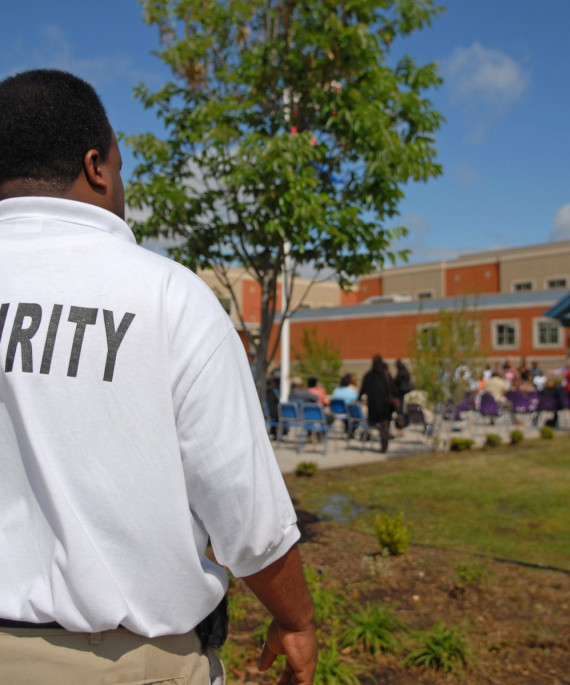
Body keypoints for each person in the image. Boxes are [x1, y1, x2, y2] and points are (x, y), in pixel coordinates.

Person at [0, 70, 317, 685]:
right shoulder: (169, 297)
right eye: (120, 166)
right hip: (123, 664)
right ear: (97, 168)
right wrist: (295, 620)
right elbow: (245, 514)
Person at [359, 354, 394, 452]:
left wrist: (359, 399)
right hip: (385, 406)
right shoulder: (386, 375)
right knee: (385, 424)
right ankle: (384, 443)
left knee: (376, 423)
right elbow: (392, 389)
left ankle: (383, 438)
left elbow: (362, 390)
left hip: (374, 406)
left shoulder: (369, 375)